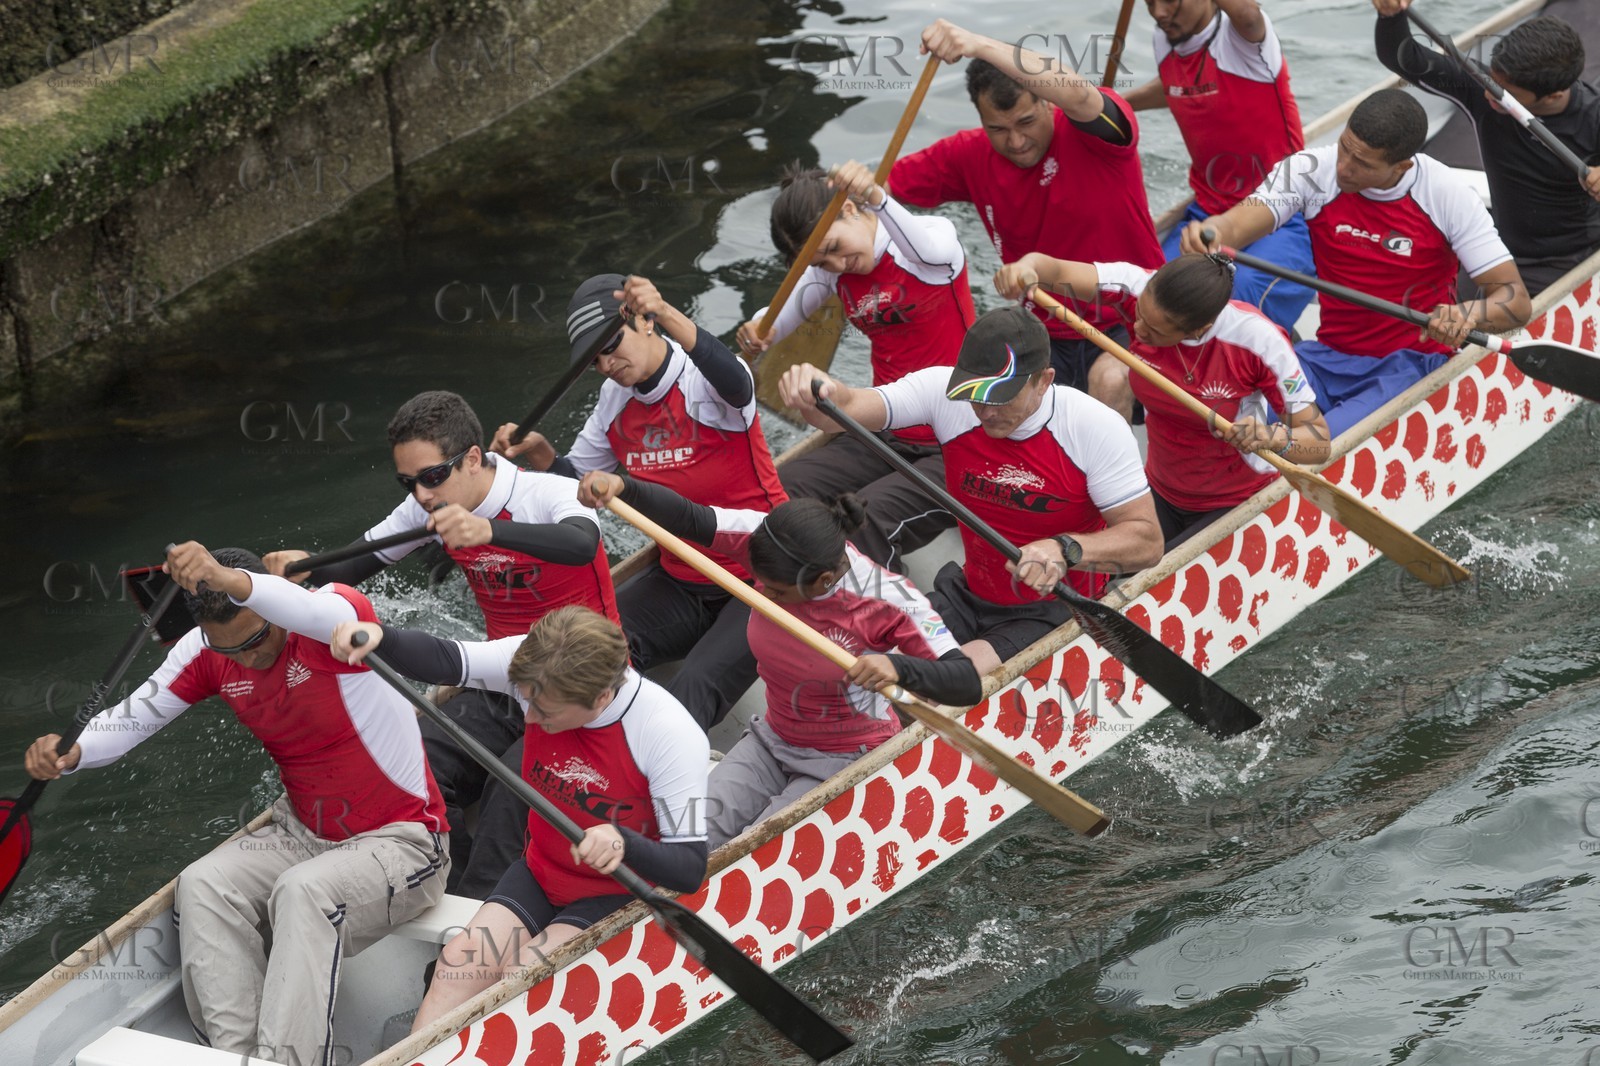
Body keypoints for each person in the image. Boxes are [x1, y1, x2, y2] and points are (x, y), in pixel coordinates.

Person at [23, 543, 448, 1065]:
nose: (247, 657)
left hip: (404, 842)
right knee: (203, 884)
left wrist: (225, 576)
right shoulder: (207, 650)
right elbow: (131, 718)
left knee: (303, 892)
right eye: (230, 650)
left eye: (254, 638)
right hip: (304, 836)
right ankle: (239, 1056)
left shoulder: (333, 621)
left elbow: (316, 607)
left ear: (274, 606)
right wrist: (73, 752)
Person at [267, 389, 620, 898]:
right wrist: (303, 566)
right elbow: (352, 565)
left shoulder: (545, 494)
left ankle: (484, 925)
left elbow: (581, 542)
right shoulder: (426, 508)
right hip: (509, 681)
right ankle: (451, 896)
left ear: (473, 459)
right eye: (408, 482)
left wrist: (488, 530)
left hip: (584, 684)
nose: (421, 496)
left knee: (510, 787)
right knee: (418, 767)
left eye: (432, 477)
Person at [328, 606, 708, 1031]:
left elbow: (690, 868)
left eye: (545, 712)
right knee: (453, 968)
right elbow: (446, 657)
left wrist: (624, 842)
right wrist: (381, 638)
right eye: (525, 699)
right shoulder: (536, 664)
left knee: (524, 978)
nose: (528, 719)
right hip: (540, 872)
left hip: (615, 892)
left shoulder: (669, 734)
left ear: (600, 698)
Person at [577, 472, 981, 848]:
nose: (762, 597)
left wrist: (899, 667)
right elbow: (688, 516)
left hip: (847, 759)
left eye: (777, 591)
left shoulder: (889, 598)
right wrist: (622, 487)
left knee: (745, 853)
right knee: (680, 841)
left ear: (824, 581)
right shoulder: (763, 537)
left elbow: (965, 682)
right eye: (760, 582)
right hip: (772, 739)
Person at [779, 306, 1164, 677]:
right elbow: (845, 408)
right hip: (969, 590)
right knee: (876, 675)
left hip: (1054, 606)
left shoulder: (1093, 428)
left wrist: (1063, 550)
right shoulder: (942, 392)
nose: (984, 410)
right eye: (973, 393)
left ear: (1044, 381)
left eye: (1000, 397)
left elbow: (1147, 544)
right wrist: (819, 395)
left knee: (934, 683)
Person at [492, 275, 787, 730]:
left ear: (646, 322)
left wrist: (667, 309)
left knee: (694, 683)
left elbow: (737, 381)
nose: (608, 363)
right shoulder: (613, 404)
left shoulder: (702, 377)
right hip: (684, 580)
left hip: (764, 573)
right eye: (595, 360)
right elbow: (575, 488)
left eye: (612, 344)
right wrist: (540, 454)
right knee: (581, 651)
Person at [1183, 88, 1532, 438]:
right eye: (1344, 147)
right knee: (1223, 417)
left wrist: (1468, 314)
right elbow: (1235, 225)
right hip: (1324, 357)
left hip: (1408, 365)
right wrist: (1211, 231)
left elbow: (1514, 300)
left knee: (1315, 447)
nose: (1343, 168)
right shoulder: (1311, 171)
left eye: (1362, 163)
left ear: (1402, 166)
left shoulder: (1447, 195)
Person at [889, 18, 1165, 422]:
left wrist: (976, 42)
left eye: (1026, 123)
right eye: (997, 129)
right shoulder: (969, 155)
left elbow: (1079, 94)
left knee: (1108, 380)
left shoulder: (1099, 137)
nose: (1015, 142)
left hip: (1133, 318)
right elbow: (878, 191)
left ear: (1047, 102)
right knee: (985, 404)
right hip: (1042, 329)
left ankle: (1116, 482)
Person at [995, 253, 1332, 547]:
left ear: (1199, 328)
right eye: (1139, 315)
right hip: (1156, 488)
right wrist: (1026, 268)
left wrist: (1271, 437)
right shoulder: (1133, 287)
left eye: (1156, 331)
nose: (1139, 330)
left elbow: (1318, 442)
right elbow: (1052, 269)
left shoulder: (1258, 342)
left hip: (1236, 500)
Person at [736, 159, 973, 569]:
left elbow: (931, 249)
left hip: (959, 436)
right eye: (821, 263)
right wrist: (756, 329)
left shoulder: (930, 247)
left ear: (848, 209)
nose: (837, 266)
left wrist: (879, 200)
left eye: (833, 249)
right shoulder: (832, 277)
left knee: (864, 522)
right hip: (886, 427)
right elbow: (776, 319)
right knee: (782, 489)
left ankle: (884, 624)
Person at [1372, 2, 1600, 292]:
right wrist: (1390, 16)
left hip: (1570, 261)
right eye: (1492, 81)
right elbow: (1404, 57)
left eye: (1506, 95)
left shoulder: (1593, 118)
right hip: (1496, 249)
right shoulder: (1482, 88)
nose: (1489, 95)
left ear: (1554, 96)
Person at [1122, 0, 1317, 333]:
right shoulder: (1166, 38)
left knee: (1230, 303)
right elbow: (1174, 85)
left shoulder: (1243, 36)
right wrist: (1114, 103)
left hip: (1285, 216)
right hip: (1206, 213)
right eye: (1150, 2)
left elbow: (1247, 14)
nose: (1159, 13)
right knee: (1146, 290)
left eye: (1170, 1)